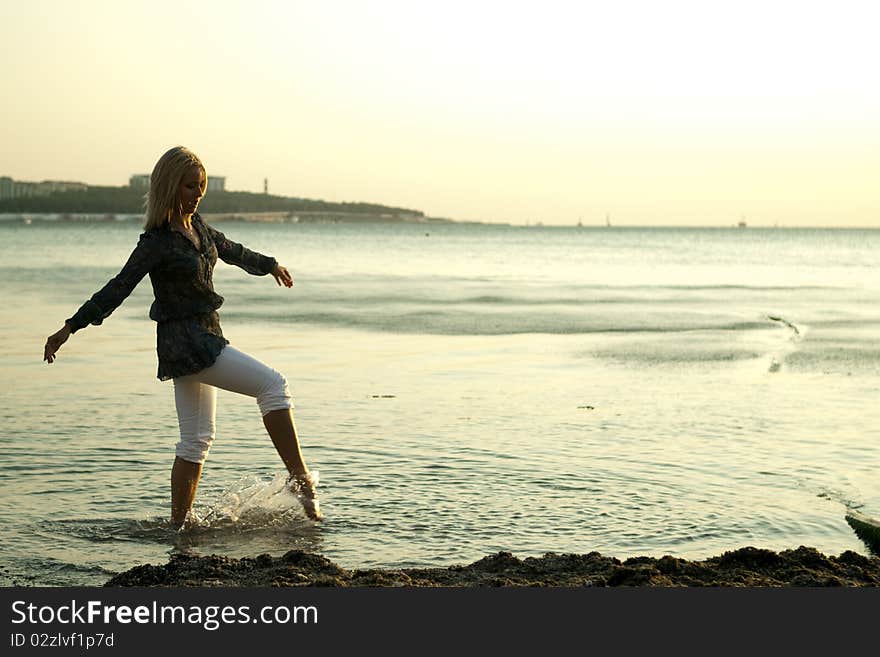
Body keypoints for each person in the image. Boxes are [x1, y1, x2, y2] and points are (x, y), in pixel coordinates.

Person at [43, 146, 322, 527]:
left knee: (196, 440)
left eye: (202, 186)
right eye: (191, 186)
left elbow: (233, 251)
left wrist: (270, 265)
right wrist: (71, 326)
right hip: (191, 343)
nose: (198, 193)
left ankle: (179, 530)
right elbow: (117, 288)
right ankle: (300, 480)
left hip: (199, 338)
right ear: (171, 187)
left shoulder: (200, 227)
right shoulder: (156, 242)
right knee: (274, 386)